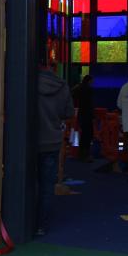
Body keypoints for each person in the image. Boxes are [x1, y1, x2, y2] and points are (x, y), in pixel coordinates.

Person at [37, 63, 75, 236]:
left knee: (28, 183)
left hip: (30, 141)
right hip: (52, 140)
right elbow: (68, 113)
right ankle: (41, 225)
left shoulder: (28, 82)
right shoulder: (62, 86)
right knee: (47, 186)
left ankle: (23, 222)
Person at [72, 75, 94, 162]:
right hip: (87, 114)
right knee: (88, 134)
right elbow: (90, 103)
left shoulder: (78, 88)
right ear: (89, 81)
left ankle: (81, 153)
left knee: (83, 134)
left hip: (81, 113)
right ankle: (86, 154)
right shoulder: (89, 90)